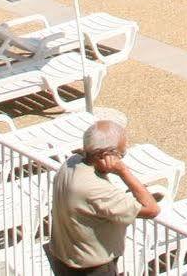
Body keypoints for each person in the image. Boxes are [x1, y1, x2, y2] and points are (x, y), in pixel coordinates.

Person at [46, 117, 160, 276]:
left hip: (63, 258)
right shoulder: (95, 189)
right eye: (121, 154)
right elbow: (152, 209)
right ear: (106, 155)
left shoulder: (71, 163)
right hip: (91, 269)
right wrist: (123, 171)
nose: (121, 159)